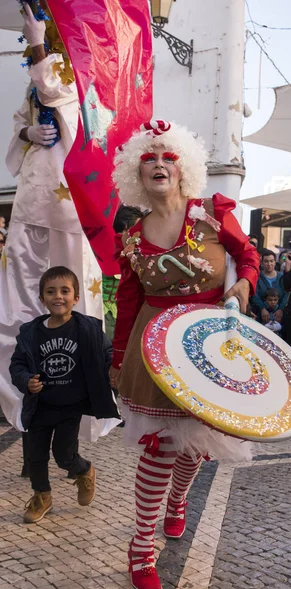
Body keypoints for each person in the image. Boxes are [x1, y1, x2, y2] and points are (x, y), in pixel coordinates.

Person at [110, 120, 259, 589]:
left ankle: (178, 502)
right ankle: (140, 546)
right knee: (162, 445)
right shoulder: (131, 238)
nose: (158, 163)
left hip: (210, 344)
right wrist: (117, 359)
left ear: (183, 168)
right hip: (152, 348)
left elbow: (249, 256)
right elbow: (129, 302)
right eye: (149, 157)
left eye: (168, 157)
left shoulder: (214, 213)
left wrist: (245, 283)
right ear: (137, 172)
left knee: (193, 443)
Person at [0, 3, 103, 435]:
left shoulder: (83, 73)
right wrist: (25, 134)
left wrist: (38, 40)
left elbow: (55, 94)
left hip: (69, 206)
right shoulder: (38, 76)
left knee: (72, 297)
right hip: (31, 202)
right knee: (18, 301)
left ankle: (75, 406)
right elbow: (24, 119)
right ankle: (19, 401)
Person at [9, 266, 120, 524]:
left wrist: (117, 371)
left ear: (76, 298)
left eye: (65, 291)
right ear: (42, 299)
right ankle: (42, 496)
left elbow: (108, 355)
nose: (58, 296)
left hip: (70, 406)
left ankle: (85, 470)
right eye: (50, 291)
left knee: (64, 455)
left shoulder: (88, 329)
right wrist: (26, 381)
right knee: (35, 455)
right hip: (40, 405)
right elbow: (17, 365)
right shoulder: (31, 332)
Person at [103, 205, 145, 340]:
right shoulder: (104, 249)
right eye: (138, 228)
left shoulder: (142, 252)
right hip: (105, 310)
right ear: (127, 228)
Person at [250, 249, 288, 322]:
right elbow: (254, 294)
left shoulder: (282, 277)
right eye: (266, 261)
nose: (269, 264)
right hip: (260, 314)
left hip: (279, 315)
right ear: (262, 263)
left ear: (275, 262)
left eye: (271, 261)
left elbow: (286, 294)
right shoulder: (257, 276)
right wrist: (262, 308)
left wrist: (281, 309)